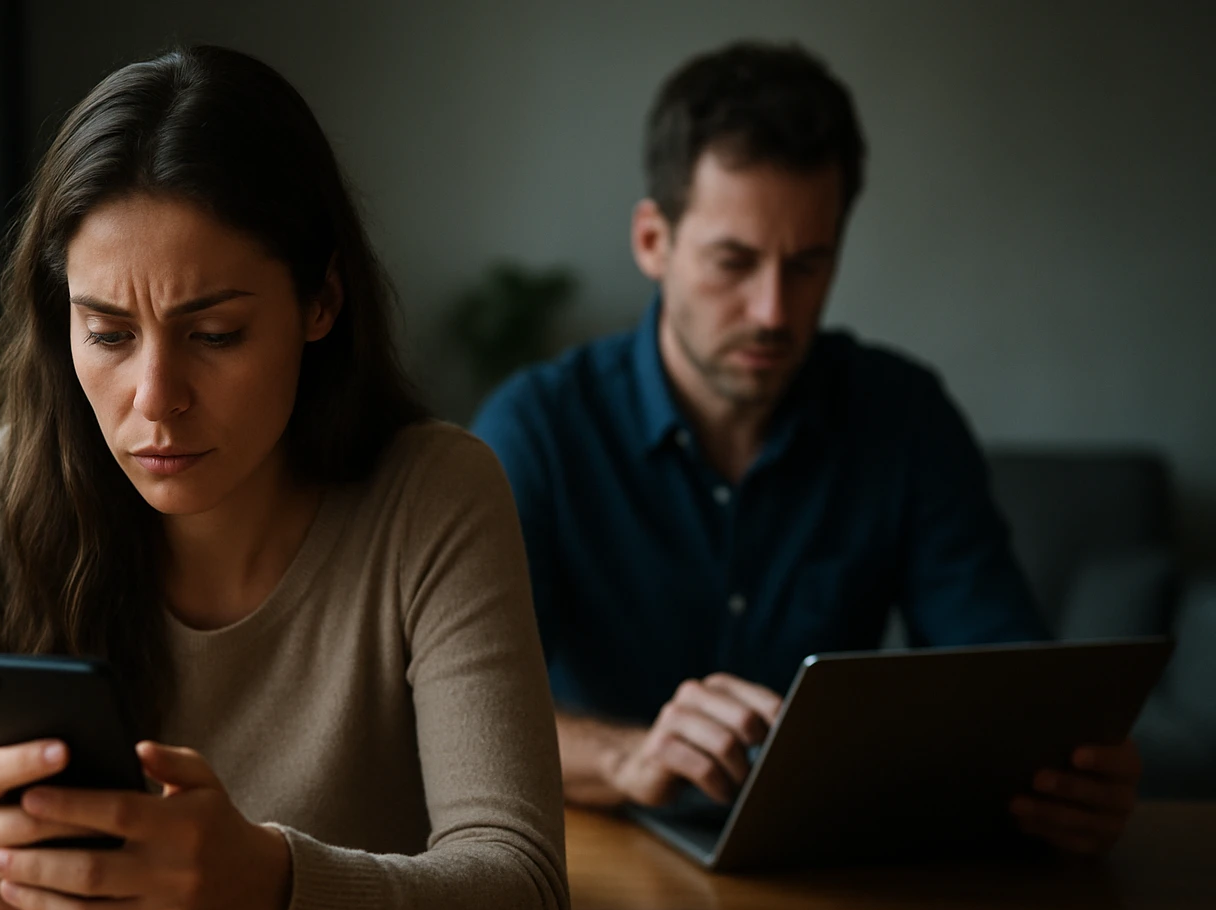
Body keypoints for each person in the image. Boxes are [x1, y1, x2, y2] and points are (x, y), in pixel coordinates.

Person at [0, 47, 567, 910]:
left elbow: (523, 906)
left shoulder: (434, 496)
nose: (155, 398)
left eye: (215, 335)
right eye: (108, 334)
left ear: (322, 301)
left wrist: (263, 888)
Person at [472, 41, 1140, 856]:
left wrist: (1068, 770)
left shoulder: (905, 418)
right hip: (597, 867)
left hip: (839, 879)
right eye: (734, 262)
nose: (773, 311)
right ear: (653, 240)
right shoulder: (537, 428)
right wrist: (627, 757)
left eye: (808, 265)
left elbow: (1007, 677)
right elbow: (458, 716)